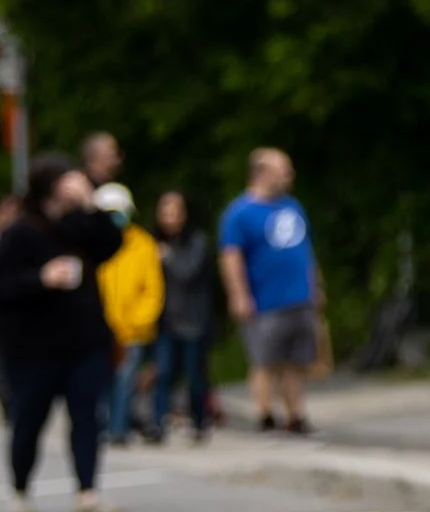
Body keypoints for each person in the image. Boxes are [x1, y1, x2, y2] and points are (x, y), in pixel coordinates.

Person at [0, 156, 122, 512]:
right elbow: (1, 285)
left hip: (83, 343)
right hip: (33, 349)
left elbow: (111, 245)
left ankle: (87, 490)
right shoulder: (21, 233)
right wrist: (41, 278)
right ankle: (20, 488)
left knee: (87, 417)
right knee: (29, 420)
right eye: (68, 178)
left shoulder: (80, 225)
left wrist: (90, 205)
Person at [216, 148, 321, 435]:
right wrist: (239, 295)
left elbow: (306, 251)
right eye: (282, 170)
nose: (289, 175)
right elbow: (231, 257)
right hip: (265, 300)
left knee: (295, 361)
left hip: (298, 297)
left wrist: (316, 287)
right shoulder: (240, 214)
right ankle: (265, 414)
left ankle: (295, 415)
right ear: (262, 173)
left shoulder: (292, 206)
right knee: (265, 360)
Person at [98, 188, 165, 444]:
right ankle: (100, 427)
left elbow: (152, 289)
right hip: (99, 328)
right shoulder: (92, 242)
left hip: (132, 330)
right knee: (100, 383)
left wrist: (138, 322)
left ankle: (118, 430)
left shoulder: (142, 243)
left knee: (125, 382)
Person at [151, 187, 216, 441]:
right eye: (164, 211)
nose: (169, 216)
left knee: (195, 374)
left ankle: (200, 420)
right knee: (163, 372)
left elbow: (188, 272)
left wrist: (167, 257)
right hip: (165, 319)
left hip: (193, 320)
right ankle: (157, 423)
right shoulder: (153, 241)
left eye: (174, 211)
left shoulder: (196, 241)